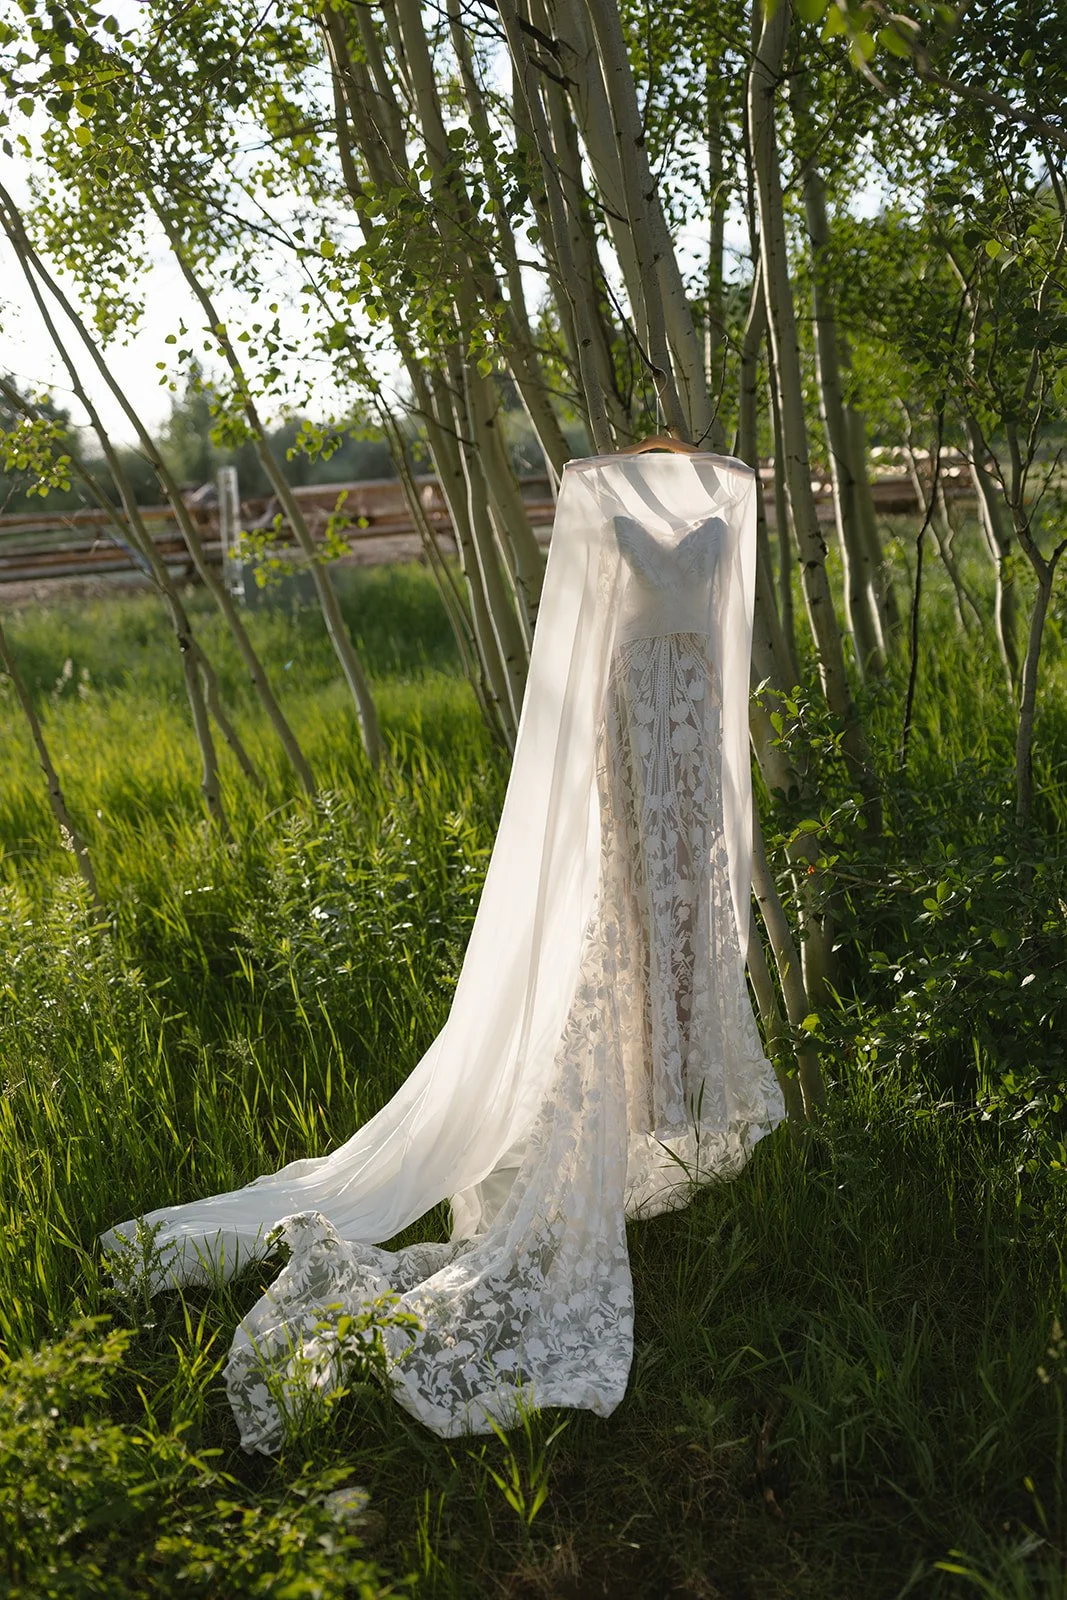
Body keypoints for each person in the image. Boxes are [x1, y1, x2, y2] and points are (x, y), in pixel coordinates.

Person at [102, 447, 784, 1450]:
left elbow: (729, 631)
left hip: (693, 716)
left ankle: (674, 1093)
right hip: (630, 711)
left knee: (681, 916)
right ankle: (623, 1106)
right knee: (620, 924)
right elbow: (580, 630)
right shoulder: (597, 489)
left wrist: (725, 771)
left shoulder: (731, 488)